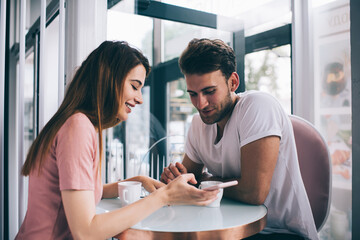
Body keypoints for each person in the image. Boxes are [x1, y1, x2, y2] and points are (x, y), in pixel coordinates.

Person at [15, 41, 218, 240]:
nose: (140, 99)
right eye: (134, 86)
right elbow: (85, 233)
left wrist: (139, 181)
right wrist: (164, 196)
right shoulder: (78, 127)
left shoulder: (73, 122)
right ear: (108, 79)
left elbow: (83, 193)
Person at [160, 38, 319, 240]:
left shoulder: (258, 107)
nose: (200, 104)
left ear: (233, 82)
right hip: (225, 228)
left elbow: (254, 193)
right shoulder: (198, 124)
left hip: (279, 232)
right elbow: (188, 181)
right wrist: (175, 179)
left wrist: (203, 181)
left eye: (209, 91)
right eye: (193, 94)